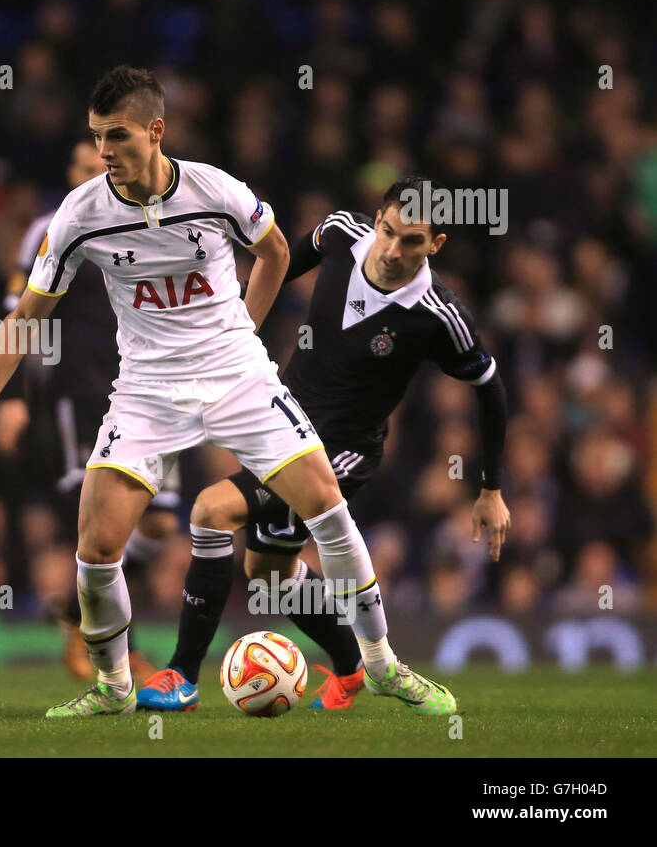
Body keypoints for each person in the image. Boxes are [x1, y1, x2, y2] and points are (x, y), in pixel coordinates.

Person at [0, 65, 456, 717]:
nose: (104, 153)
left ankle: (381, 665)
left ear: (155, 131)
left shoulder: (215, 190)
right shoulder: (79, 214)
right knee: (96, 545)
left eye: (117, 136)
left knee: (325, 500)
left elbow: (274, 254)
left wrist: (245, 328)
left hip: (235, 371)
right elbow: (26, 316)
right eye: (97, 137)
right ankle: (115, 687)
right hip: (148, 389)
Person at [139, 178, 510, 712]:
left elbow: (489, 389)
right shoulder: (338, 234)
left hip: (344, 451)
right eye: (388, 231)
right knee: (267, 573)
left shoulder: (438, 315)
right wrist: (227, 329)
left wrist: (490, 488)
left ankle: (183, 674)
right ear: (376, 218)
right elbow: (277, 266)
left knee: (210, 510)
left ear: (436, 244)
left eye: (412, 240)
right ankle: (356, 667)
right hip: (281, 428)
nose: (393, 249)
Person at [3, 138, 177, 683]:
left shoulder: (154, 220)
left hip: (152, 390)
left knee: (161, 521)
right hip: (80, 394)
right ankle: (114, 651)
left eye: (97, 165)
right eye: (81, 165)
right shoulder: (50, 229)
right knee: (103, 526)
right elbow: (20, 316)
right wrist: (10, 398)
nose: (92, 174)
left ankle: (78, 620)